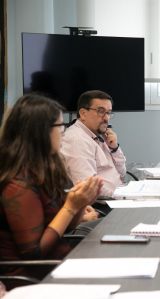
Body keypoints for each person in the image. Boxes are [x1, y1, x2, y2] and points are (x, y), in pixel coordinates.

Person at [0, 94, 102, 278]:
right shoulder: (18, 184)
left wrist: (81, 203)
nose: (64, 131)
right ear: (40, 132)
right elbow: (34, 253)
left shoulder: (44, 169)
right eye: (59, 125)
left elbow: (63, 227)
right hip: (35, 277)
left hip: (59, 264)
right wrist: (70, 207)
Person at [60, 90, 127, 197]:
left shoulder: (97, 135)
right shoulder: (76, 140)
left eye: (109, 112)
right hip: (104, 206)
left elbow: (123, 174)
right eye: (101, 111)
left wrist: (114, 148)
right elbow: (89, 188)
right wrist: (123, 196)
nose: (106, 118)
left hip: (119, 196)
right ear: (83, 113)